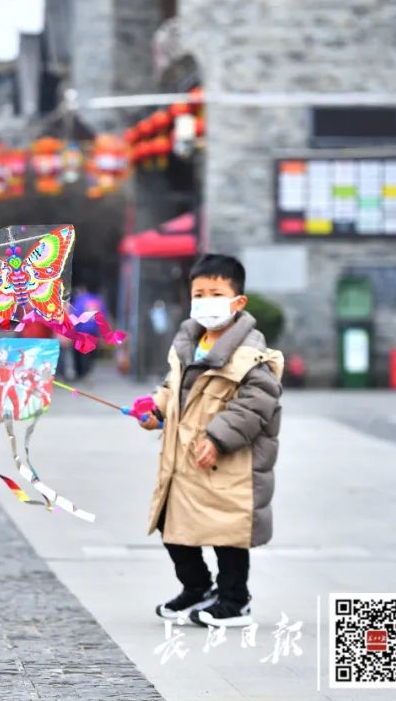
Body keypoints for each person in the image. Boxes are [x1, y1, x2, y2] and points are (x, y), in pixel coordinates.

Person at [139, 254, 283, 628]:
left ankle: (235, 600)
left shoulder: (253, 355)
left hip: (228, 464)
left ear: (238, 302)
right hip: (182, 461)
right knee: (174, 530)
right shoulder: (188, 344)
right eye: (199, 293)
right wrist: (155, 408)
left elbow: (256, 404)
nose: (206, 301)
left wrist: (218, 438)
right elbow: (175, 388)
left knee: (227, 535)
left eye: (216, 293)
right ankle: (198, 588)